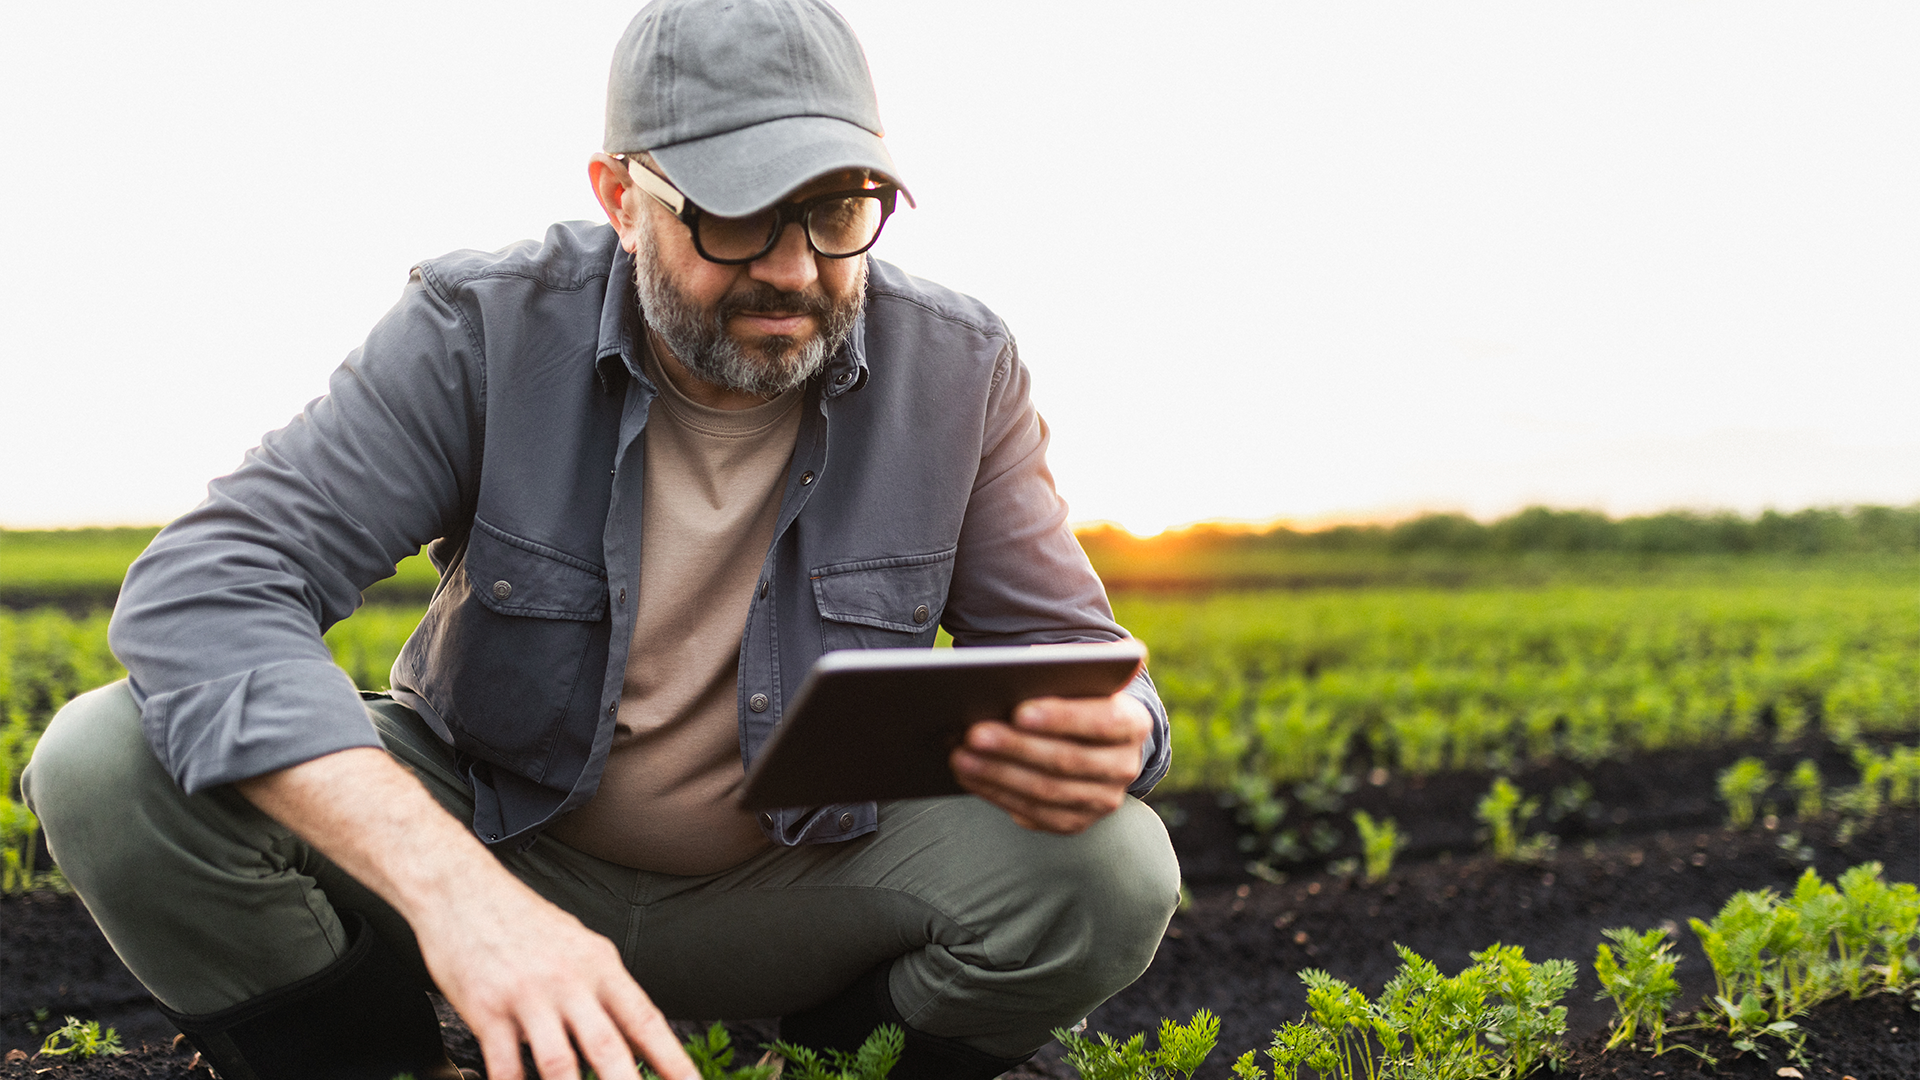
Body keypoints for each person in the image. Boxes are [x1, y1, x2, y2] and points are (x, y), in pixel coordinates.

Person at [22, 2, 1179, 1079]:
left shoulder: (959, 367)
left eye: (836, 211)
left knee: (1105, 871)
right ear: (621, 198)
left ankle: (828, 1067)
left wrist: (1112, 729)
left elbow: (1079, 659)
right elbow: (207, 588)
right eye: (734, 214)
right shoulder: (482, 330)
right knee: (108, 762)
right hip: (499, 836)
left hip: (799, 879)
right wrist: (460, 897)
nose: (792, 268)